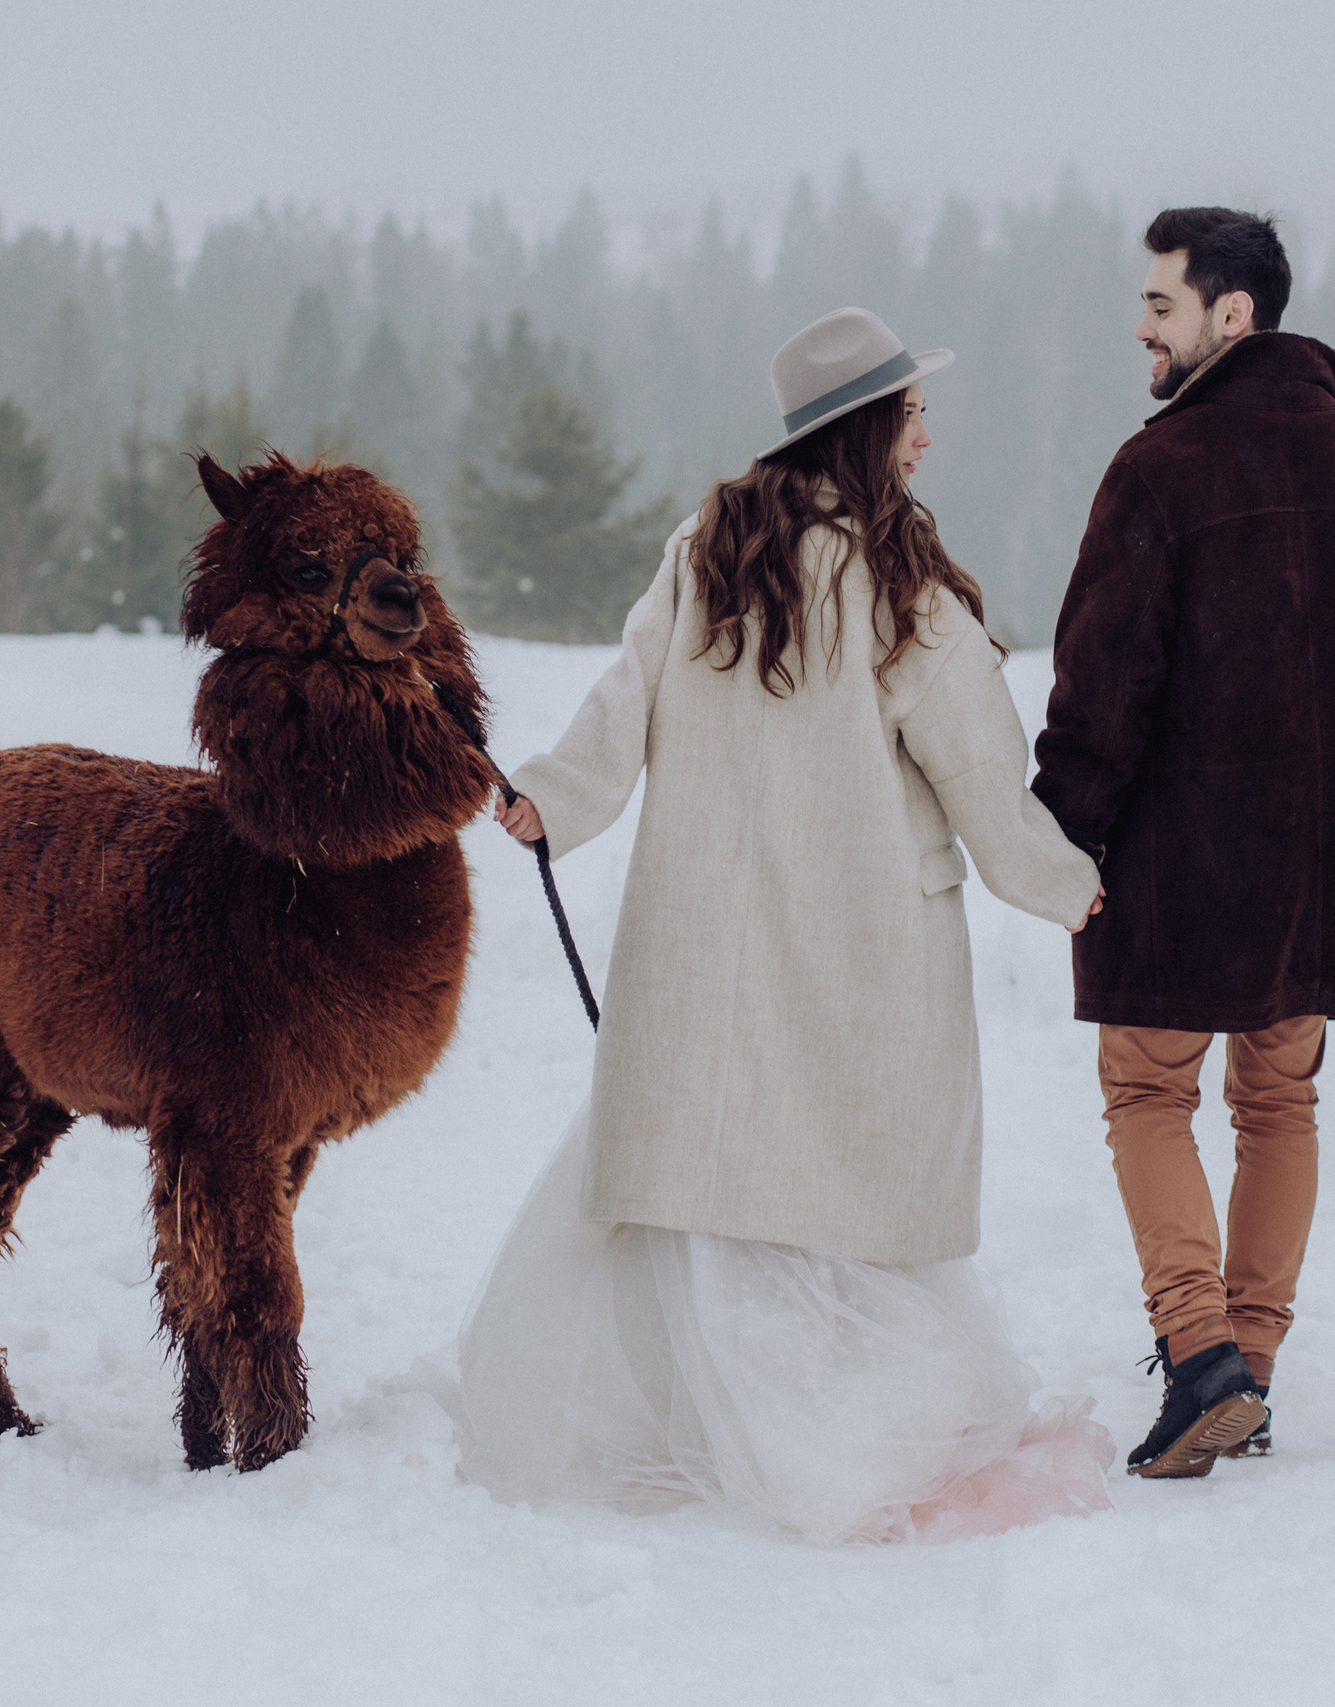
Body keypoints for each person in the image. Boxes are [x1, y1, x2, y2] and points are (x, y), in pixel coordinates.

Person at [453, 307, 1114, 1544]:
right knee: (841, 1181)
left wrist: (556, 795)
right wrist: (1064, 884)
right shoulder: (899, 583)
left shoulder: (709, 551)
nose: (927, 436)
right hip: (858, 937)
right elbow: (980, 770)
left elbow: (625, 698)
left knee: (725, 1168)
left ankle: (707, 1423)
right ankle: (841, 1433)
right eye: (912, 414)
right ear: (863, 428)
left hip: (712, 933)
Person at [1031, 208, 1335, 1479]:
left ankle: (1200, 1359)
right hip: (1331, 871)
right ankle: (1251, 1363)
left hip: (1184, 862)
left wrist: (1060, 834)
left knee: (1148, 1092)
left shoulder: (1158, 471)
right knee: (1278, 1100)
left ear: (1230, 314)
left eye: (1161, 305)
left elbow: (1100, 685)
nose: (1140, 326)